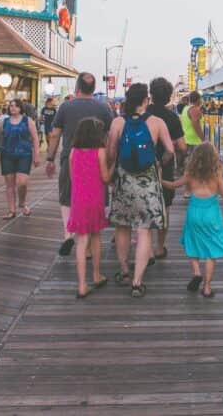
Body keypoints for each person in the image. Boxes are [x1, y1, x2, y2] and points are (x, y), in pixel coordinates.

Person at [106, 83, 175, 298]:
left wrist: (114, 169)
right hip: (149, 183)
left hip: (124, 182)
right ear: (146, 100)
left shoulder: (118, 122)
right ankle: (137, 282)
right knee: (144, 230)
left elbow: (111, 152)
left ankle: (124, 270)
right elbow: (171, 151)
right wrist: (159, 163)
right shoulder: (156, 122)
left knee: (123, 227)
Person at [163, 142, 223, 297]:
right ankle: (207, 288)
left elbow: (173, 185)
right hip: (211, 214)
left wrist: (159, 181)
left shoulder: (190, 173)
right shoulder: (216, 175)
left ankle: (196, 272)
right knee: (211, 252)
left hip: (194, 213)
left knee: (191, 242)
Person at [46, 73, 114, 256]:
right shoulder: (103, 108)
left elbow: (54, 134)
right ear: (93, 88)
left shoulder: (65, 107)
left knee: (67, 196)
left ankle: (68, 235)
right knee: (95, 198)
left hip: (72, 157)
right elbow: (111, 135)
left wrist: (50, 158)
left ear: (77, 87)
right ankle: (91, 247)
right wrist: (110, 158)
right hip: (97, 158)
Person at [67, 118, 111, 298]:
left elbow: (72, 178)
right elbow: (106, 178)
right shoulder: (100, 151)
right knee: (96, 236)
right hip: (94, 199)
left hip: (78, 200)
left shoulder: (73, 152)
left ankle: (82, 285)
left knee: (81, 241)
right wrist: (113, 166)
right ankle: (96, 275)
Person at [146, 77, 187, 260]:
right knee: (165, 207)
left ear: (151, 94)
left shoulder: (143, 113)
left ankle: (144, 247)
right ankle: (159, 247)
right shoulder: (172, 117)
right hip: (166, 168)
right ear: (169, 96)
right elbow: (183, 146)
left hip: (143, 166)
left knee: (144, 206)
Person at [0, 99, 40, 219]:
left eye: (16, 106)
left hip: (24, 154)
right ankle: (11, 210)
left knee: (22, 183)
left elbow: (35, 138)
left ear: (21, 108)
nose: (13, 108)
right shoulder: (4, 121)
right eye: (11, 106)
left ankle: (22, 202)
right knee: (9, 184)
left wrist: (36, 155)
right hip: (7, 154)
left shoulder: (28, 120)